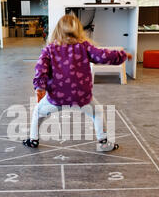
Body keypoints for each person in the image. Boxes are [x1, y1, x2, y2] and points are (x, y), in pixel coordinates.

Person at [23, 14, 132, 151]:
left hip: (56, 97)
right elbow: (103, 55)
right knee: (97, 112)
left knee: (38, 113)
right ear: (78, 30)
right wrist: (122, 55)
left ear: (57, 30)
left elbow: (41, 68)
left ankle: (33, 140)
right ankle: (103, 142)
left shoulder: (49, 49)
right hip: (82, 97)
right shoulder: (84, 47)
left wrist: (40, 86)